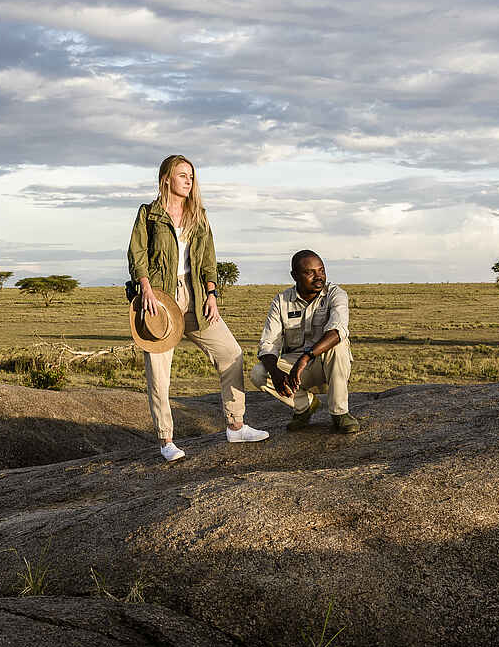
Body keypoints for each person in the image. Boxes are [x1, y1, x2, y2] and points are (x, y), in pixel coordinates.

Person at [128, 155, 269, 461]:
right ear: (167, 178)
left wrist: (212, 293)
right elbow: (137, 252)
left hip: (193, 293)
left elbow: (208, 260)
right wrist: (146, 289)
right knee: (159, 374)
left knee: (230, 353)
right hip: (161, 298)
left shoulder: (199, 214)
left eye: (191, 175)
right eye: (182, 175)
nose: (189, 180)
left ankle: (236, 425)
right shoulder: (149, 215)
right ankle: (166, 441)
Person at [251, 250, 361, 433]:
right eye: (310, 272)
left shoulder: (335, 294)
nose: (319, 277)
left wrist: (305, 358)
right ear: (294, 275)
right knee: (259, 373)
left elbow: (337, 331)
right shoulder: (281, 301)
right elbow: (268, 344)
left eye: (321, 270)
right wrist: (276, 373)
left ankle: (340, 413)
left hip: (327, 364)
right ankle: (304, 406)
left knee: (339, 343)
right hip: (295, 369)